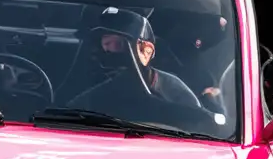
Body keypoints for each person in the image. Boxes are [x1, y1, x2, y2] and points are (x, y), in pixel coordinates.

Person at [67, 8, 206, 118]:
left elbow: (199, 123)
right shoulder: (95, 89)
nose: (111, 49)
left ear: (145, 50)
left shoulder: (173, 90)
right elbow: (70, 113)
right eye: (107, 43)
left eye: (119, 43)